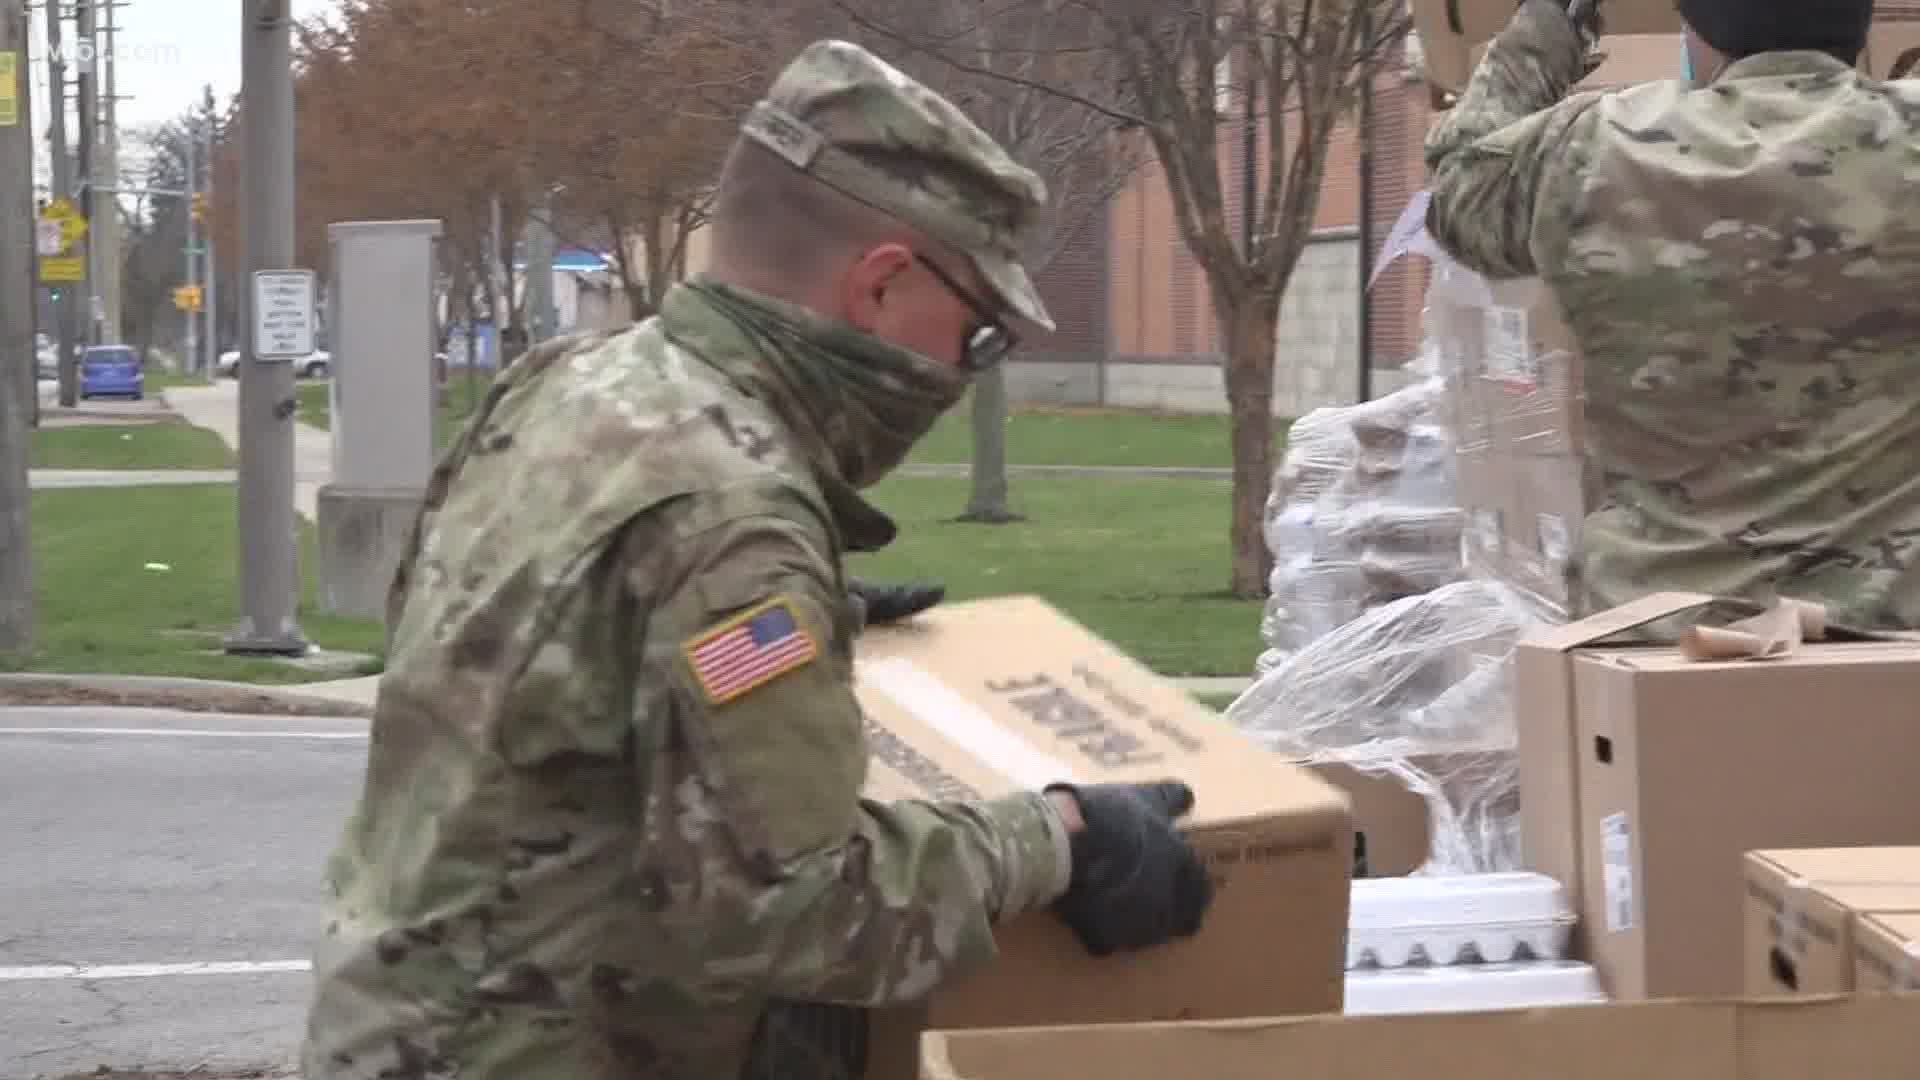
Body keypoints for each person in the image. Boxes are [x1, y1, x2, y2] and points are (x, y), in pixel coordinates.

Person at [300, 39, 1213, 1080]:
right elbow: (793, 909)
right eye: (980, 338)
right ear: (881, 286)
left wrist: (785, 626)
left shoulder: (570, 383)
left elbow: (488, 634)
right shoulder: (735, 523)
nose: (964, 373)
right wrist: (1058, 837)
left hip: (394, 1027)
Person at [1423, 0, 1920, 629]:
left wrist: (1550, 24)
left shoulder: (1595, 147)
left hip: (1656, 639)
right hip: (1889, 642)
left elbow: (1458, 190)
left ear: (1699, 30)